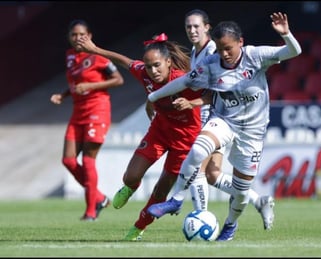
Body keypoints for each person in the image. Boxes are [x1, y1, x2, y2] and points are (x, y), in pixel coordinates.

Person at [147, 12, 302, 241]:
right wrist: (154, 97)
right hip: (225, 121)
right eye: (220, 49)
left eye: (228, 48)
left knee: (240, 193)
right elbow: (185, 81)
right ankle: (176, 200)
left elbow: (294, 51)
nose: (224, 54)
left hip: (252, 132)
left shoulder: (255, 56)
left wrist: (286, 34)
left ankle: (230, 226)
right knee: (199, 150)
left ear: (240, 42)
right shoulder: (211, 64)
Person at [77, 32, 203, 240]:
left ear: (169, 62)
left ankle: (138, 227)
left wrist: (191, 103)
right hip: (160, 132)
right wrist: (95, 50)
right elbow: (125, 61)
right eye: (148, 66)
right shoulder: (143, 73)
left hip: (185, 140)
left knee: (161, 190)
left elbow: (211, 95)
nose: (152, 71)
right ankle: (130, 188)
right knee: (130, 177)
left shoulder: (184, 80)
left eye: (157, 65)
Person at [171, 8, 275, 230]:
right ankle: (258, 200)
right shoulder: (196, 52)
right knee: (212, 174)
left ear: (207, 27)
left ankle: (201, 218)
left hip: (221, 121)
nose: (192, 30)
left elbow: (219, 91)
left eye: (196, 26)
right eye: (188, 26)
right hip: (217, 120)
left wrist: (193, 104)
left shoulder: (214, 51)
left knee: (197, 167)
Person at [50, 19, 124, 221]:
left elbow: (119, 79)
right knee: (68, 160)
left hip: (97, 110)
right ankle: (98, 197)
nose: (77, 38)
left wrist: (90, 87)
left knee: (88, 160)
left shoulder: (97, 55)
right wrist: (63, 95)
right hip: (78, 111)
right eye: (73, 34)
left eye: (81, 34)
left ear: (89, 36)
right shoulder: (70, 56)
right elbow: (77, 84)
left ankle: (91, 211)